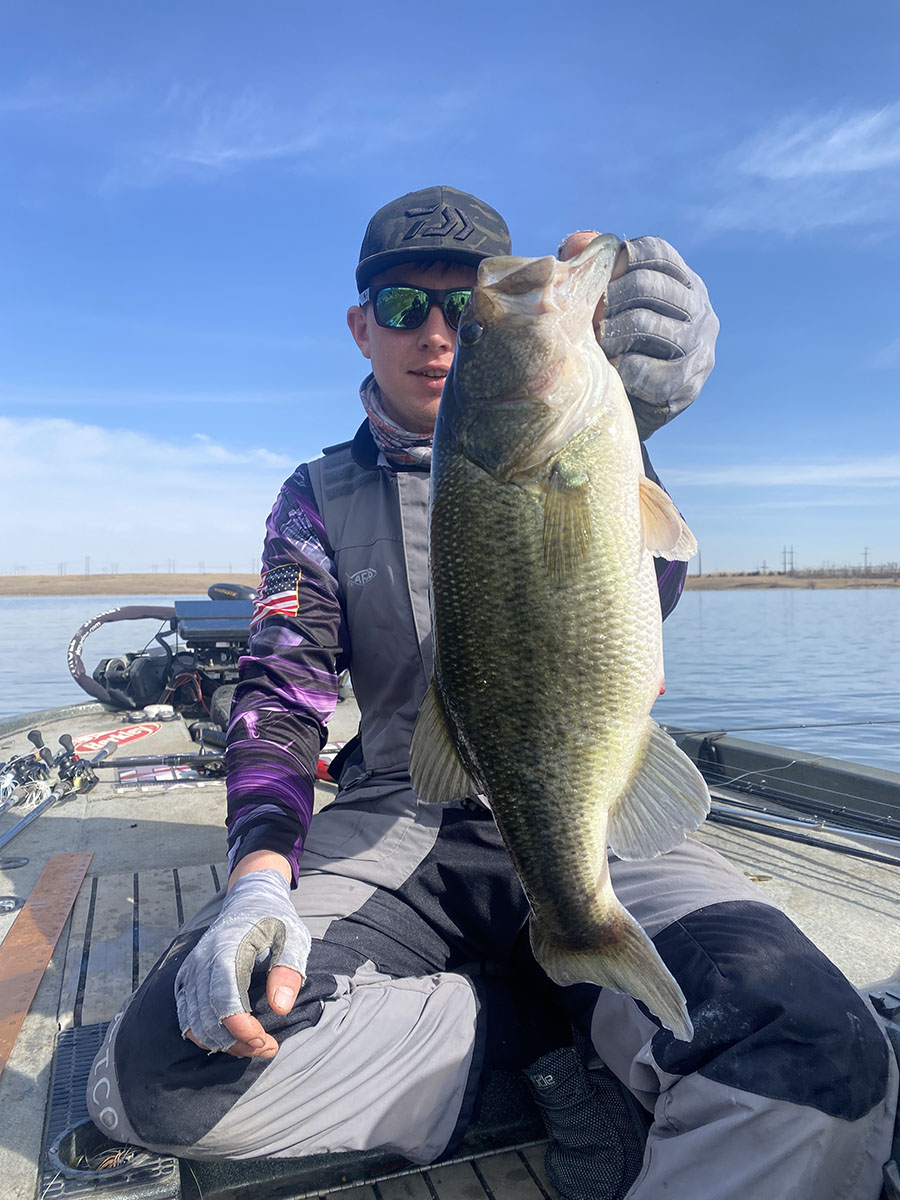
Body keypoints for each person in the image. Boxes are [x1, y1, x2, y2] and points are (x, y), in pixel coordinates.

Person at [87, 186, 897, 1199]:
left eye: (470, 308)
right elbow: (281, 693)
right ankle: (543, 1028)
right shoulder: (315, 499)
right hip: (400, 823)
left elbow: (656, 581)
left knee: (820, 1053)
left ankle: (569, 1001)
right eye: (401, 308)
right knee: (157, 1082)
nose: (436, 332)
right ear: (359, 328)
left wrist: (632, 422)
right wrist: (259, 876)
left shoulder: (595, 445)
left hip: (590, 813)